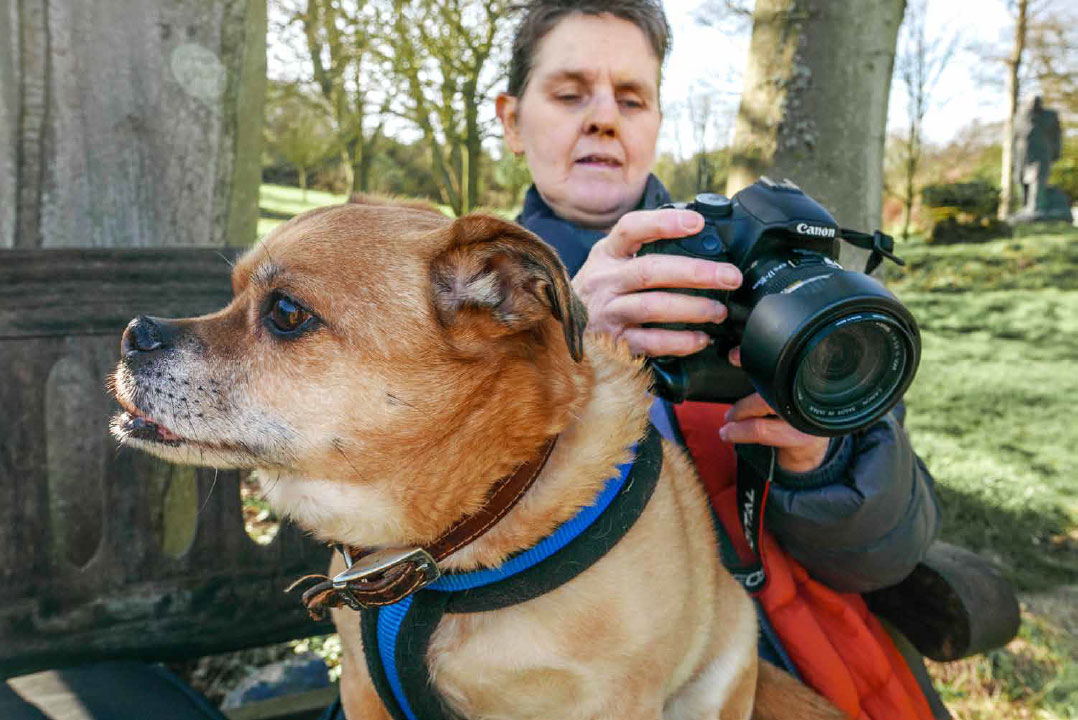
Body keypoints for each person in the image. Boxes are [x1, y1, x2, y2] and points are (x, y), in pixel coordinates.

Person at [496, 2, 944, 719]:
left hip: (789, 652)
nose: (605, 119)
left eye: (632, 98)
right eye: (570, 93)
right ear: (512, 120)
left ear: (656, 124)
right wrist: (558, 343)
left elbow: (888, 551)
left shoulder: (768, 271)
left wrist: (817, 463)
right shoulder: (458, 297)